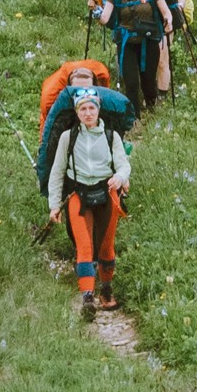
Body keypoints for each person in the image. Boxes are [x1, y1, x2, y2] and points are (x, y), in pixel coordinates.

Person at [40, 64, 131, 311]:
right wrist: (53, 206)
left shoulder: (112, 137)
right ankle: (88, 297)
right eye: (83, 109)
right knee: (84, 245)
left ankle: (107, 289)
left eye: (92, 108)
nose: (88, 113)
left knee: (106, 245)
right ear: (77, 113)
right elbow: (57, 173)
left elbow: (124, 166)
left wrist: (120, 179)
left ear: (98, 110)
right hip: (78, 194)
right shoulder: (67, 138)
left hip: (107, 193)